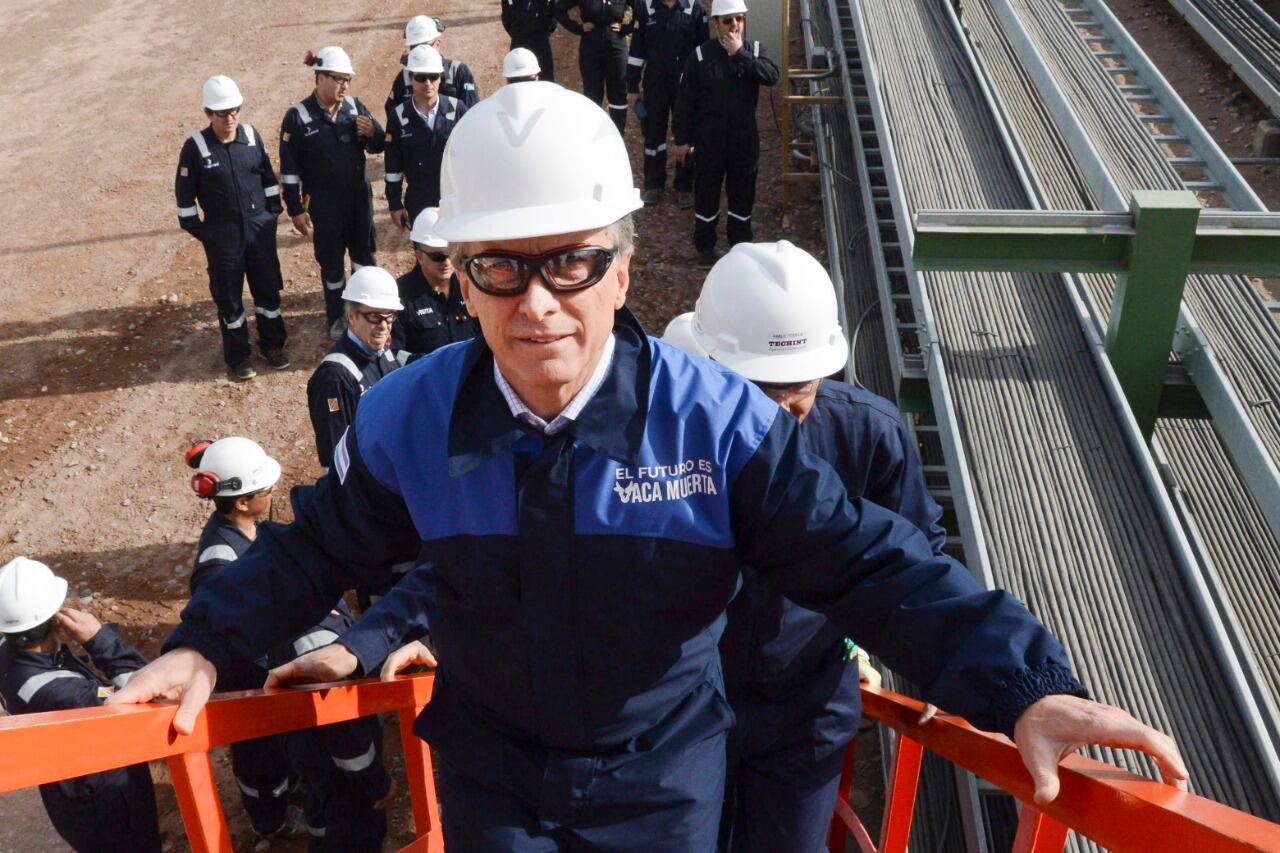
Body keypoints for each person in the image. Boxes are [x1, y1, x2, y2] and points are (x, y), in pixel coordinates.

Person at [112, 83, 1188, 852]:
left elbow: (873, 564)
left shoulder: (715, 426)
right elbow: (315, 547)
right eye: (501, 266)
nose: (538, 301)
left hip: (661, 784)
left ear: (621, 269)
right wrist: (208, 645)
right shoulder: (410, 420)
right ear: (462, 277)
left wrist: (1022, 689)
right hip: (491, 778)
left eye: (571, 260)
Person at [676, 241, 946, 852]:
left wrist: (909, 658)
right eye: (754, 392)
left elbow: (913, 558)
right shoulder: (666, 435)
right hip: (687, 706)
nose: (777, 416)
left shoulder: (868, 436)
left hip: (807, 707)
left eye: (794, 392)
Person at [186, 438, 306, 841]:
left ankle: (286, 789)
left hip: (266, 667)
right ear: (239, 502)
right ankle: (270, 821)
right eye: (265, 490)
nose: (273, 493)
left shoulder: (249, 529)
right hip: (247, 682)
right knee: (260, 756)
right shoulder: (218, 562)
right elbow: (222, 632)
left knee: (279, 746)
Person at [0, 558, 161, 853]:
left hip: (66, 795)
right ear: (53, 617)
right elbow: (151, 694)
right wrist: (100, 641)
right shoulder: (70, 695)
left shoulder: (5, 657)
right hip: (109, 802)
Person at [176, 75, 289, 381]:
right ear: (207, 113)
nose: (230, 118)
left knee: (268, 291)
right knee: (229, 300)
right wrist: (209, 237)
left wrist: (270, 216)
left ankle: (272, 346)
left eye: (235, 110)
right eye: (222, 113)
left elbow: (268, 180)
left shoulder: (251, 137)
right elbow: (185, 206)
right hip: (223, 237)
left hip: (259, 233)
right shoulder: (195, 149)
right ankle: (239, 358)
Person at [279, 46, 385, 340]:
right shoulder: (298, 118)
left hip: (357, 200)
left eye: (347, 80)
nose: (345, 86)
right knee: (332, 264)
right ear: (320, 78)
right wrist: (296, 210)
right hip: (325, 205)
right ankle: (337, 317)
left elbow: (379, 146)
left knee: (364, 257)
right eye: (338, 79)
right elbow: (289, 170)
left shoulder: (354, 108)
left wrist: (373, 132)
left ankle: (367, 313)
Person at [673, 0, 779, 268]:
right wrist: (682, 140)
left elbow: (771, 76)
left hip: (743, 142)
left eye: (739, 19)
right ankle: (705, 249)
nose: (735, 26)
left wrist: (740, 53)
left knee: (742, 197)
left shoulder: (753, 50)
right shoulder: (699, 56)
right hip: (710, 142)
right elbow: (685, 102)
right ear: (715, 24)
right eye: (728, 20)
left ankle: (740, 248)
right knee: (706, 196)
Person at [306, 266, 402, 471]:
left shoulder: (382, 352)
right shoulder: (334, 378)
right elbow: (335, 460)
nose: (384, 326)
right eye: (374, 317)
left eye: (389, 316)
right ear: (351, 317)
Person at [626, 0, 709, 207]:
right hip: (655, 84)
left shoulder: (694, 9)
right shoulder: (646, 8)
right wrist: (632, 87)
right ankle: (654, 184)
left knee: (686, 136)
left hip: (686, 87)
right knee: (653, 135)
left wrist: (704, 86)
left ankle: (683, 187)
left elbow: (704, 52)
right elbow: (637, 51)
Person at [385, 45, 469, 231]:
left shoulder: (458, 110)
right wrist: (394, 203)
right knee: (426, 254)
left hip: (455, 198)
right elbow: (393, 164)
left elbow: (473, 155)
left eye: (433, 77)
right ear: (411, 79)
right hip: (419, 199)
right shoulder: (398, 117)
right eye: (421, 78)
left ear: (441, 78)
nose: (428, 83)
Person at [393, 208, 479, 360]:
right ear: (419, 256)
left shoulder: (470, 285)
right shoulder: (399, 296)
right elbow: (394, 354)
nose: (446, 263)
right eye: (437, 256)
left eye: (450, 255)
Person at [556, 0, 635, 133]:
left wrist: (627, 28)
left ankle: (617, 135)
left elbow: (641, 10)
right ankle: (591, 136)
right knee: (593, 94)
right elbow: (558, 9)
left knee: (618, 93)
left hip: (616, 48)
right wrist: (578, 28)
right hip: (590, 48)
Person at [385, 16, 479, 114]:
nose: (421, 52)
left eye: (425, 46)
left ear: (438, 44)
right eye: (415, 48)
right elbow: (393, 114)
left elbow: (472, 113)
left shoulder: (458, 71)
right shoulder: (405, 76)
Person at [501, 0, 557, 83]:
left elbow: (554, 14)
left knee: (545, 79)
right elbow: (507, 17)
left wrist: (547, 28)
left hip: (540, 40)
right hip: (520, 41)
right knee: (519, 79)